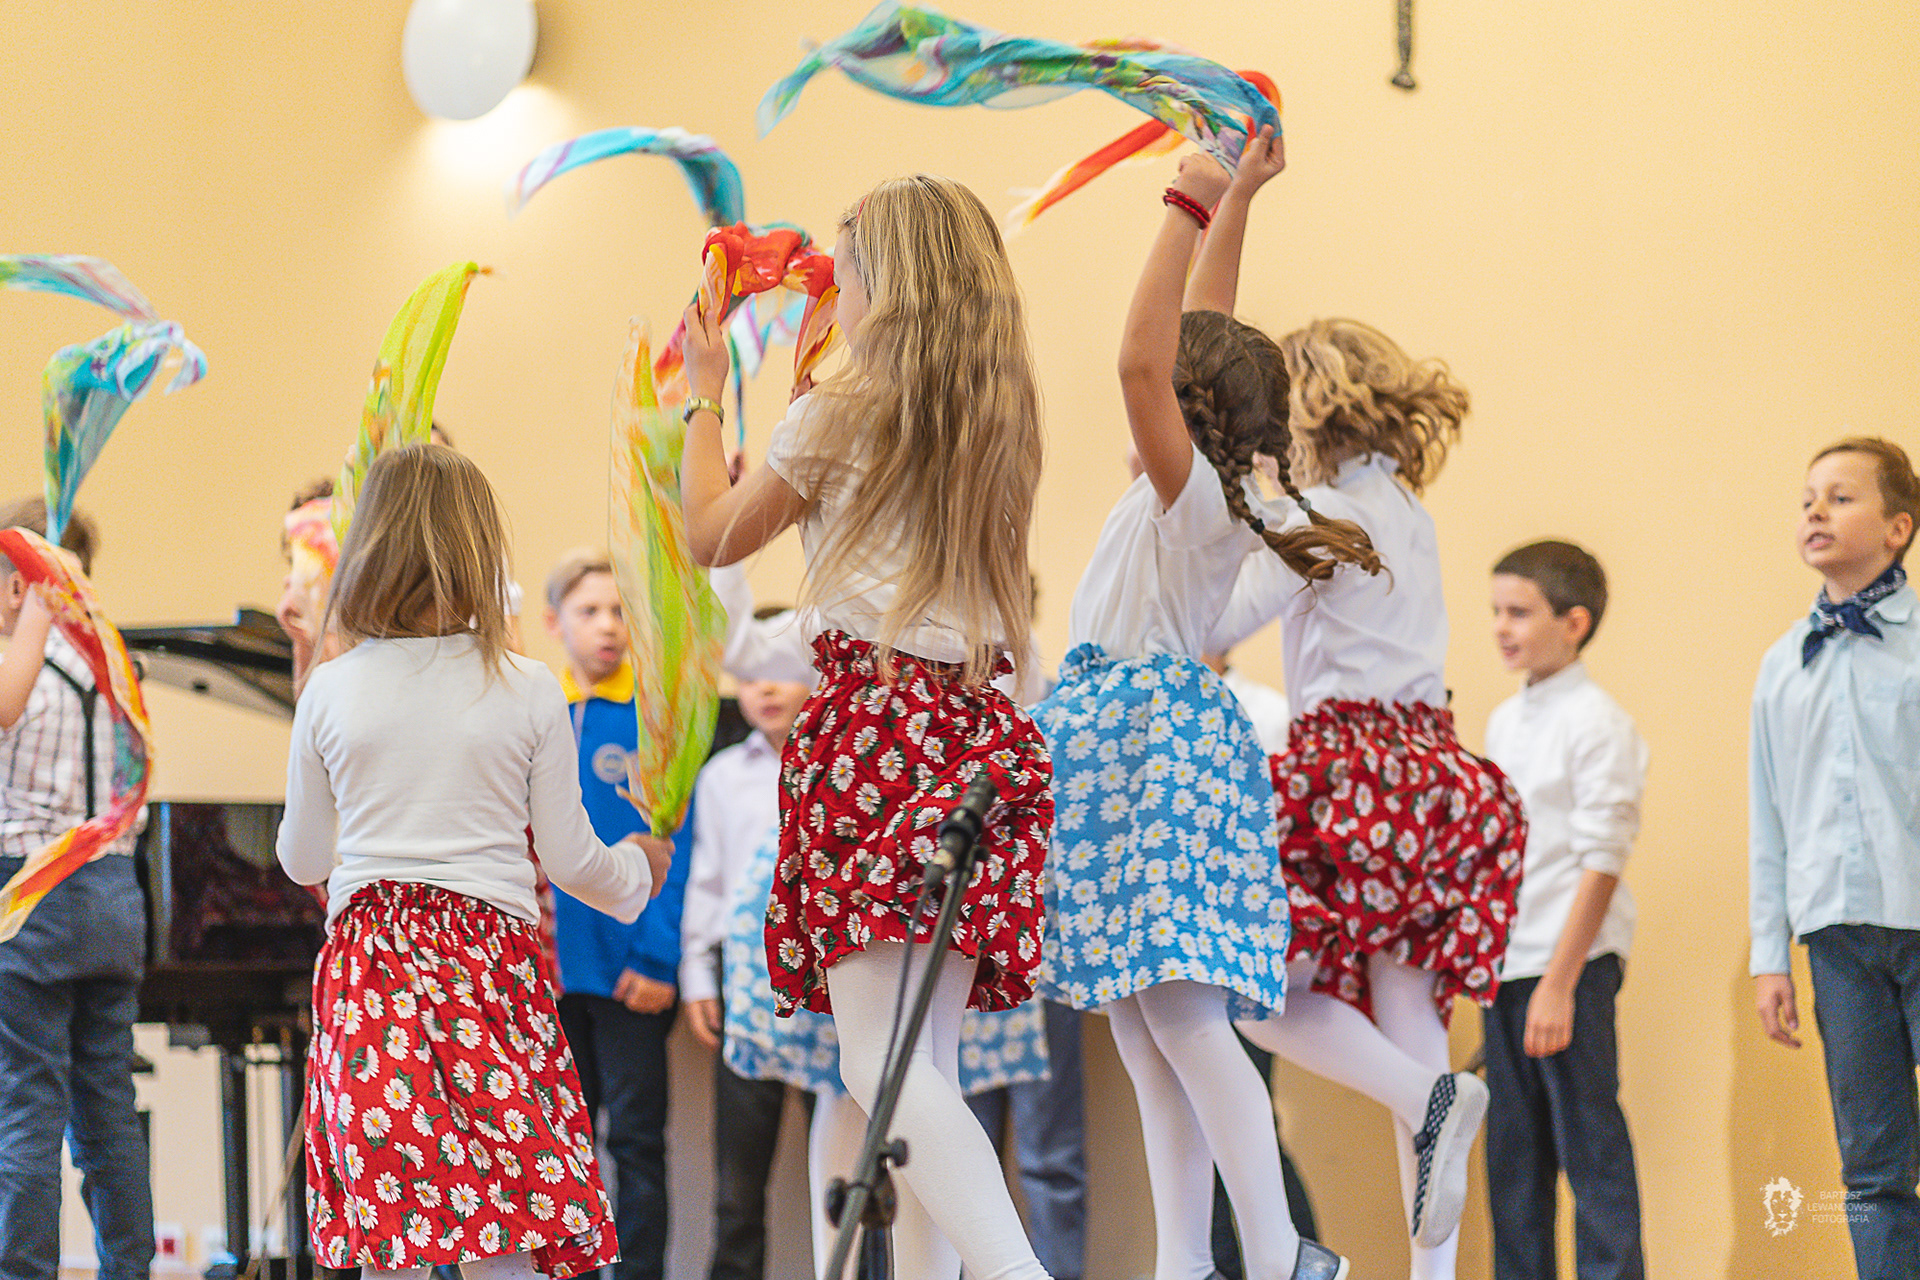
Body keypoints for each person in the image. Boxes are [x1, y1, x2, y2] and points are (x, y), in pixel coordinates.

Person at [679, 173, 1055, 1280]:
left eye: (845, 268)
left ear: (885, 279)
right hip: (974, 735)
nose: (832, 287)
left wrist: (706, 399)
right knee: (922, 1062)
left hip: (876, 731)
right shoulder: (997, 416)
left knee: (878, 1067)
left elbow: (709, 535)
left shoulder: (844, 407)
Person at [1034, 133, 1354, 1280]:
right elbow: (1199, 331)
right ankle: (1186, 1257)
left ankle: (1277, 1249)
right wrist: (1237, 202)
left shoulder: (1192, 494)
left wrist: (1183, 199)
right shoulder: (1193, 486)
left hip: (1147, 747)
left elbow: (1141, 359)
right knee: (1142, 1024)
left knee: (1179, 1017)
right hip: (1124, 743)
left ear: (1187, 406)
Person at [275, 444, 671, 1280]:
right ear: (479, 551)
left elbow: (301, 854)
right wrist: (640, 868)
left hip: (372, 973)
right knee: (507, 1222)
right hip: (488, 974)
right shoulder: (526, 686)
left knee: (393, 1231)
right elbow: (571, 861)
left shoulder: (330, 689)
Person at [1216, 311, 1522, 1275]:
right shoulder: (1404, 509)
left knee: (1255, 996)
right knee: (1411, 1018)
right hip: (1429, 771)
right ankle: (1434, 1246)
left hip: (1350, 770)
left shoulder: (1320, 515)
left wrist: (1245, 506)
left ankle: (1429, 1097)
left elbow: (1223, 619)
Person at [1750, 437, 1920, 1280]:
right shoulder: (1784, 664)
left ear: (1897, 527)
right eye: (1808, 498)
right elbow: (1769, 817)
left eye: (1841, 497)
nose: (1816, 510)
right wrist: (1768, 956)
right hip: (1836, 939)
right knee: (1873, 1163)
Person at [1483, 540, 1647, 1280]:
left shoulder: (1597, 721)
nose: (1501, 627)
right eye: (1496, 611)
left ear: (1574, 623)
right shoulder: (1504, 721)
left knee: (1591, 1153)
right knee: (1514, 1168)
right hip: (1507, 966)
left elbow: (1602, 859)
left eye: (1519, 612)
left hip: (1569, 967)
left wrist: (1559, 982)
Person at [0, 499, 154, 1280]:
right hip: (115, 898)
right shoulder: (120, 666)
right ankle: (130, 1269)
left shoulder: (16, 673)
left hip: (34, 896)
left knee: (27, 1109)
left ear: (20, 583)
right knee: (109, 1115)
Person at [542, 549, 689, 1280]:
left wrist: (658, 957)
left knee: (635, 1143)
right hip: (549, 977)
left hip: (631, 972)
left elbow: (679, 847)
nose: (607, 626)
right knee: (559, 1151)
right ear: (554, 623)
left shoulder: (654, 719)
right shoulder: (538, 712)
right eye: (589, 611)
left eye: (619, 611)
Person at [679, 654, 817, 1280]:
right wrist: (697, 977)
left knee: (844, 1169)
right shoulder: (722, 776)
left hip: (825, 994)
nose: (765, 687)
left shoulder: (839, 766)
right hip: (745, 986)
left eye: (781, 669)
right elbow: (707, 881)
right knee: (737, 1185)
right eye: (751, 673)